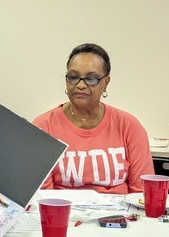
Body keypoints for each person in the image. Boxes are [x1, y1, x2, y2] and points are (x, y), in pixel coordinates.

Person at [33, 43, 154, 194]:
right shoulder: (44, 126)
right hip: (64, 214)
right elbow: (43, 196)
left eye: (91, 79)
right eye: (73, 77)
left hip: (119, 216)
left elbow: (142, 193)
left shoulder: (128, 125)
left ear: (106, 83)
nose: (81, 85)